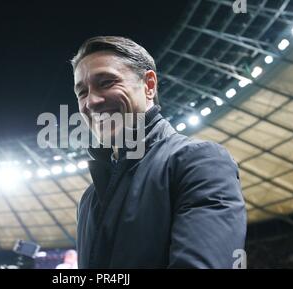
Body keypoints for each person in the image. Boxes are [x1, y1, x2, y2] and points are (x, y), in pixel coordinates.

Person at [71, 36, 247, 268]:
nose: (91, 101)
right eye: (82, 92)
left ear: (149, 85)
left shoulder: (198, 162)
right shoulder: (88, 199)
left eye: (106, 82)